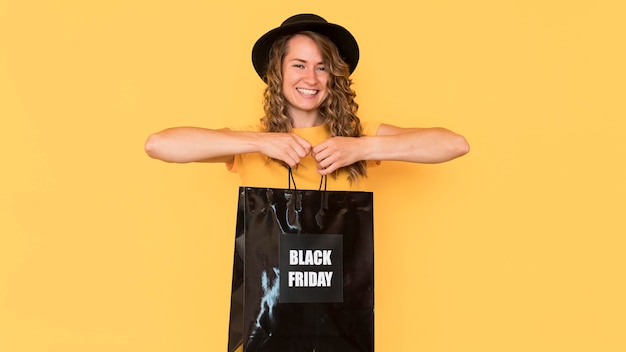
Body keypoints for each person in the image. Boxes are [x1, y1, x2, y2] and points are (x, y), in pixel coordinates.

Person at [145, 13, 469, 190]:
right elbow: (159, 145)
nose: (311, 79)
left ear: (333, 76)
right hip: (270, 309)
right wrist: (260, 142)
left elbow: (454, 144)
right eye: (299, 65)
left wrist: (363, 148)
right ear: (279, 73)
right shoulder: (253, 141)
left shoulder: (357, 135)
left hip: (337, 307)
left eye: (322, 68)